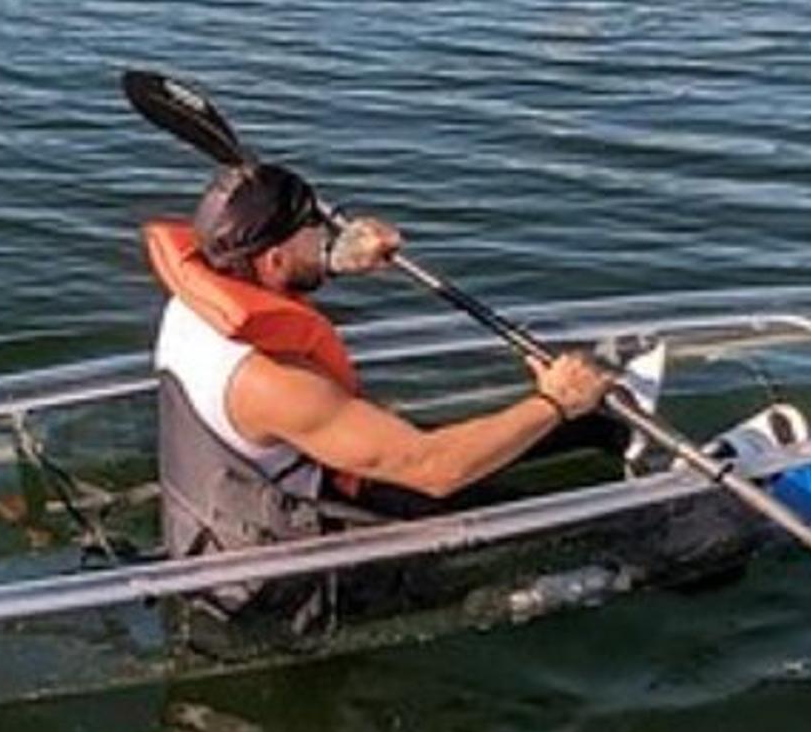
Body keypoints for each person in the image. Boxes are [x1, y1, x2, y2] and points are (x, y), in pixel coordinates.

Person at [143, 162, 615, 568]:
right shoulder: (267, 380)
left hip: (260, 490)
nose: (324, 238)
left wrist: (333, 260)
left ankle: (599, 429)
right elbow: (435, 469)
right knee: (561, 525)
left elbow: (277, 272)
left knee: (571, 428)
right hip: (288, 566)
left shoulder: (191, 304)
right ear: (275, 259)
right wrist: (554, 400)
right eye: (314, 234)